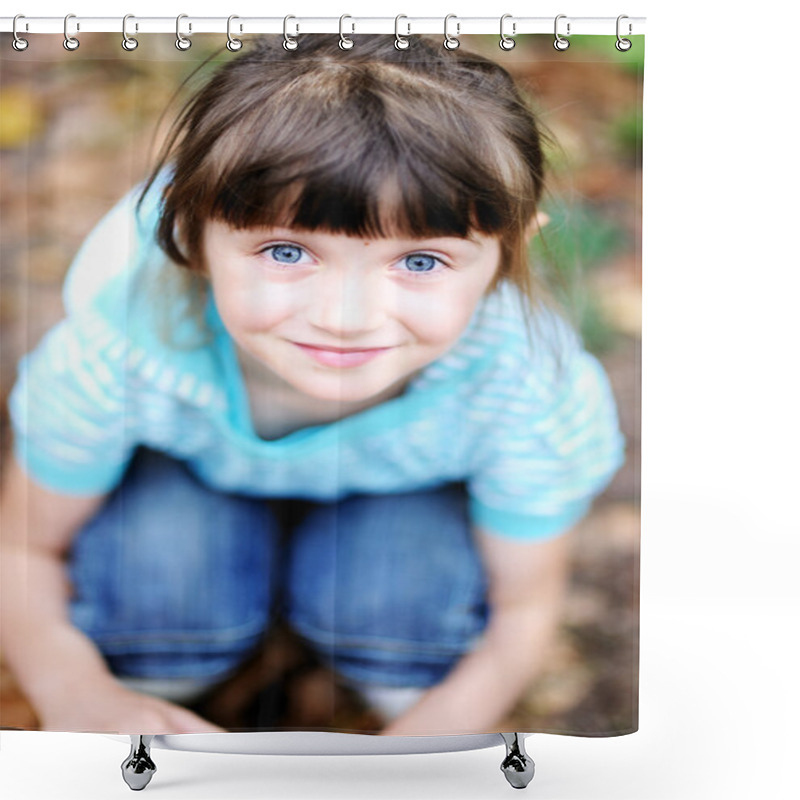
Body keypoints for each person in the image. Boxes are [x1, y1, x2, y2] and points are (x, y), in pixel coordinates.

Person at [0, 35, 624, 736]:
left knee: (398, 602)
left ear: (510, 249)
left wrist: (431, 745)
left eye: (420, 260)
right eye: (286, 251)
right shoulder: (118, 352)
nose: (345, 320)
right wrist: (71, 689)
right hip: (186, 491)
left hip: (399, 505)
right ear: (193, 232)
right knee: (166, 581)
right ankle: (165, 670)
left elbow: (524, 611)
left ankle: (388, 671)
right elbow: (23, 548)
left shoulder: (527, 388)